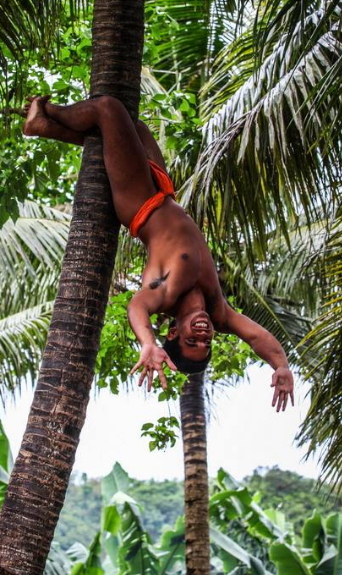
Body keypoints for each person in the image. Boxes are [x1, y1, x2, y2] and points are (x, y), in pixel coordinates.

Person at [22, 95, 295, 412]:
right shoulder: (218, 309)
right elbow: (257, 337)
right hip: (164, 192)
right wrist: (281, 365)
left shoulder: (165, 292)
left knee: (109, 109)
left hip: (139, 200)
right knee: (134, 127)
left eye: (191, 342)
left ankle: (46, 112)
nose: (203, 336)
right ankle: (43, 126)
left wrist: (148, 344)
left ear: (174, 331)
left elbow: (138, 305)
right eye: (206, 344)